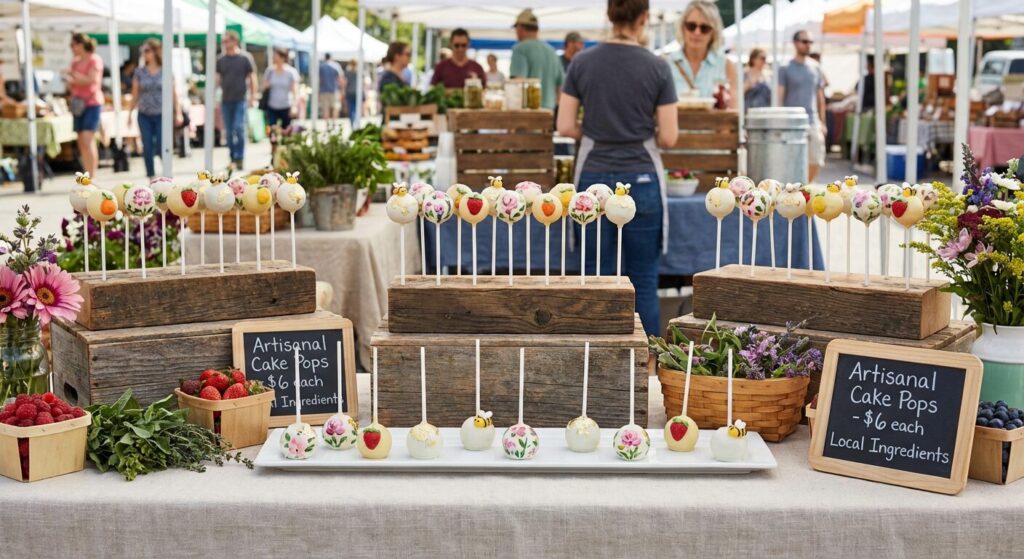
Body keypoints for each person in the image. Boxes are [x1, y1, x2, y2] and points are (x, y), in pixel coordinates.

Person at [557, 0, 678, 336]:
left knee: (596, 277)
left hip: (593, 178)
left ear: (609, 15)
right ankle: (649, 365)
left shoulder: (581, 62)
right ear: (644, 18)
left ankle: (596, 356)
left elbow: (565, 125)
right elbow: (669, 136)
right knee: (643, 280)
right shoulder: (658, 66)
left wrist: (596, 134)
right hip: (642, 177)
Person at [129, 39, 183, 179]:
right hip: (144, 113)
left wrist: (178, 112)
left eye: (147, 50)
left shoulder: (166, 71)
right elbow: (135, 94)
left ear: (155, 52)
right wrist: (130, 113)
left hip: (162, 114)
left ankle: (166, 173)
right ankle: (151, 176)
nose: (144, 54)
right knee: (147, 145)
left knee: (161, 144)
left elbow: (174, 93)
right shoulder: (139, 72)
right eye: (143, 51)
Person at [666, 0, 736, 108]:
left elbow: (734, 111)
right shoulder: (665, 64)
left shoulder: (727, 65)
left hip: (714, 124)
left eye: (704, 28)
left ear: (713, 32)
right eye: (691, 26)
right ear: (682, 28)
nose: (697, 32)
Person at [779, 29, 827, 182]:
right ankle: (795, 189)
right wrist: (780, 121)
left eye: (810, 42)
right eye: (805, 41)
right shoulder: (785, 67)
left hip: (812, 121)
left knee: (816, 158)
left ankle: (805, 186)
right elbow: (780, 96)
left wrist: (822, 122)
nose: (808, 45)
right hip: (791, 123)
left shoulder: (816, 67)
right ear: (795, 43)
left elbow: (820, 96)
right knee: (791, 161)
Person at [216, 30, 258, 171]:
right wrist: (212, 96)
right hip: (226, 100)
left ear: (234, 41)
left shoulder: (245, 58)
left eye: (227, 41)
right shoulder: (221, 60)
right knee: (228, 131)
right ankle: (233, 158)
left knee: (239, 128)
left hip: (240, 99)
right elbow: (218, 79)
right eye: (224, 41)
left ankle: (240, 157)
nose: (225, 44)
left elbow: (252, 77)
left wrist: (253, 96)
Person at [64, 33, 104, 178]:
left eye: (73, 45)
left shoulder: (94, 60)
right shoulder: (74, 62)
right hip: (78, 104)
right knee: (81, 141)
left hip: (92, 103)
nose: (72, 48)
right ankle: (87, 173)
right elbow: (73, 82)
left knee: (87, 139)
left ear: (81, 44)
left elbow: (91, 80)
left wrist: (74, 78)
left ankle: (92, 175)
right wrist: (73, 79)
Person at [510, 9, 564, 110]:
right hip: (549, 112)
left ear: (520, 28)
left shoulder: (520, 49)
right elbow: (560, 87)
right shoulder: (551, 50)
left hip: (528, 113)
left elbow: (518, 82)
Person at [261, 48, 299, 130]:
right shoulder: (270, 71)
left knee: (286, 131)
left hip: (286, 105)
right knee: (272, 131)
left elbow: (295, 90)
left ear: (283, 57)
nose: (274, 58)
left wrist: (294, 106)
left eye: (276, 56)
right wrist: (267, 85)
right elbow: (263, 87)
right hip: (272, 106)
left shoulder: (291, 72)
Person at [318, 53, 344, 119]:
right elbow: (340, 79)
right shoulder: (336, 66)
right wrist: (342, 90)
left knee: (325, 109)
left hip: (323, 91)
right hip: (334, 90)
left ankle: (327, 126)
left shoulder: (321, 66)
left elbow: (319, 80)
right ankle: (334, 123)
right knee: (336, 107)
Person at [344, 60, 359, 124]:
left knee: (351, 109)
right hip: (356, 93)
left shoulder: (348, 72)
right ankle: (354, 121)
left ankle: (352, 122)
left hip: (350, 92)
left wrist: (344, 92)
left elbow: (345, 83)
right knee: (355, 109)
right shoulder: (358, 72)